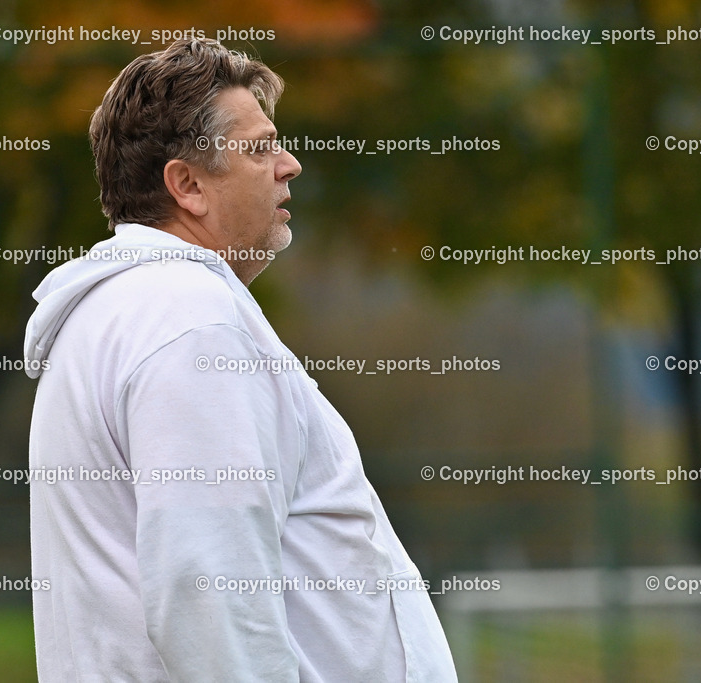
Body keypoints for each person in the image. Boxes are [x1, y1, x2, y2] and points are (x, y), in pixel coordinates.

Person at [23, 38, 457, 682]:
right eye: (259, 148)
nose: (290, 164)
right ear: (188, 184)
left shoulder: (130, 312)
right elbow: (209, 592)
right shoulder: (188, 319)